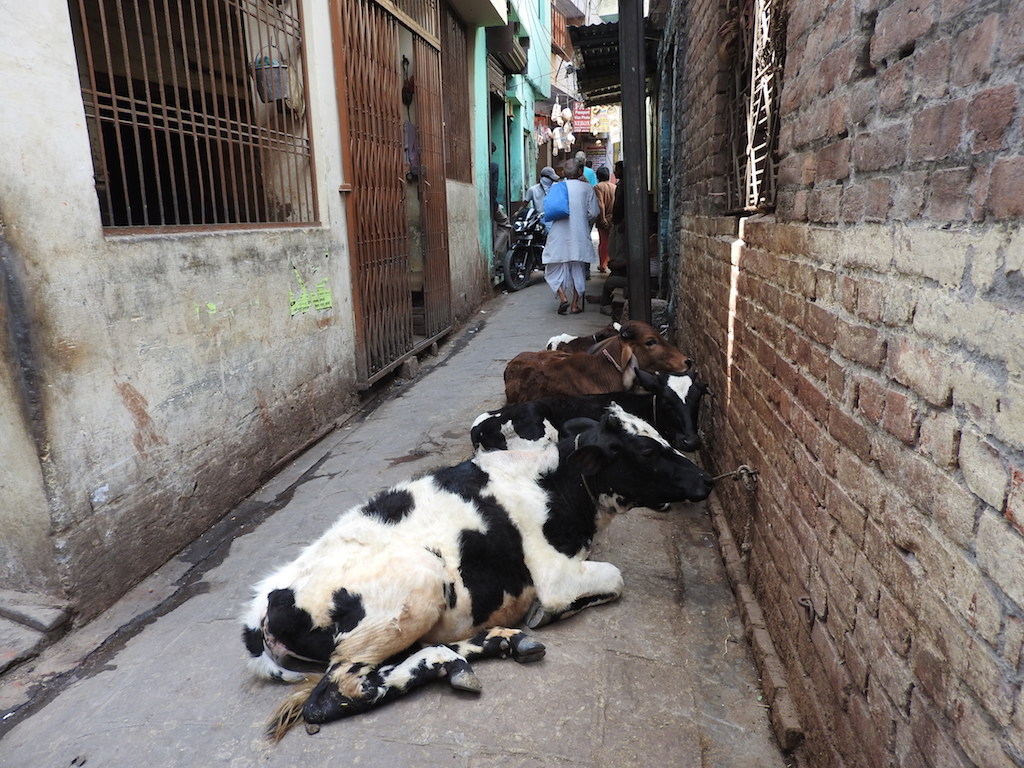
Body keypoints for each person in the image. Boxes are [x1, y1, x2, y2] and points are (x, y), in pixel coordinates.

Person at [542, 158, 600, 315]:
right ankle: (574, 304)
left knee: (552, 267)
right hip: (579, 233)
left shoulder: (556, 187)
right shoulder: (587, 188)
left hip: (558, 234)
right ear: (580, 171)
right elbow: (594, 212)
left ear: (563, 173)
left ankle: (562, 297)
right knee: (578, 269)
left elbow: (548, 208)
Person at [594, 165, 616, 272]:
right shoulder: (614, 187)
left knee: (603, 242)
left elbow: (600, 203)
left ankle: (603, 264)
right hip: (613, 218)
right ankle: (610, 263)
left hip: (604, 218)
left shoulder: (598, 187)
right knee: (612, 242)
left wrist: (602, 218)